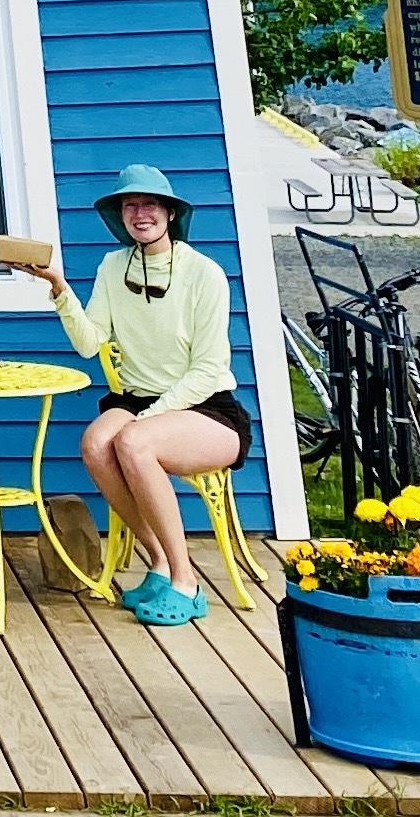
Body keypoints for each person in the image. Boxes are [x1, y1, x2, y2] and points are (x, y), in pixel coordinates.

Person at [16, 161, 249, 626]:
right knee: (96, 443)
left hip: (208, 408)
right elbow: (89, 342)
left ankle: (187, 581)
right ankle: (159, 561)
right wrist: (60, 288)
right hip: (138, 399)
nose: (140, 214)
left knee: (133, 442)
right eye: (129, 206)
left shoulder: (205, 274)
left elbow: (207, 370)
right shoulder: (112, 265)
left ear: (169, 213)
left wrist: (149, 419)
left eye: (149, 205)